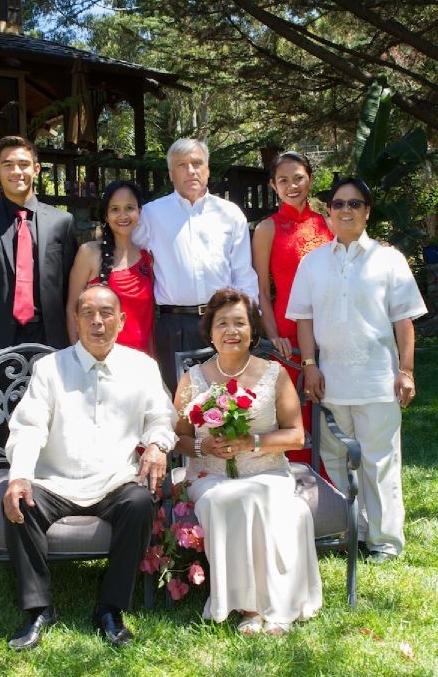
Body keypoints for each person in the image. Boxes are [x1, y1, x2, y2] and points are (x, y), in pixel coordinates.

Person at [3, 283, 177, 650]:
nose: (97, 322)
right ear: (76, 321)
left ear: (122, 320)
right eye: (88, 314)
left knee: (140, 503)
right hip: (56, 479)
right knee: (19, 502)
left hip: (115, 479)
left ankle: (110, 609)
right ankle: (39, 610)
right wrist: (19, 475)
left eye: (106, 314)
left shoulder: (142, 367)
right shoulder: (51, 368)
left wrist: (159, 445)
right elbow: (29, 425)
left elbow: (162, 418)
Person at [286, 177, 427, 564]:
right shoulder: (312, 262)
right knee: (337, 462)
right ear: (328, 212)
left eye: (354, 203)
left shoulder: (389, 260)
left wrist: (407, 370)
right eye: (338, 204)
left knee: (379, 463)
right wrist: (309, 366)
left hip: (378, 380)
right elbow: (304, 319)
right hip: (330, 382)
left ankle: (385, 541)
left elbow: (403, 322)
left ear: (367, 211)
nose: (345, 210)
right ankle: (357, 529)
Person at [173, 288, 322, 635]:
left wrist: (251, 441)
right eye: (222, 323)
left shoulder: (274, 374)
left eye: (240, 323)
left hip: (267, 470)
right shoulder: (193, 379)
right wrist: (203, 446)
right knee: (225, 499)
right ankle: (249, 608)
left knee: (267, 500)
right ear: (209, 332)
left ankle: (280, 606)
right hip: (209, 474)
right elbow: (176, 436)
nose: (231, 331)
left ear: (253, 331)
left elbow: (296, 436)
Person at [0, 135, 78, 453]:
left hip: (49, 335)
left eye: (23, 164)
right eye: (8, 165)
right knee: (0, 421)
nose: (16, 171)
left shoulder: (61, 222)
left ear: (36, 169)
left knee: (55, 416)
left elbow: (70, 283)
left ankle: (51, 483)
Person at [133, 138, 259, 394]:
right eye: (181, 165)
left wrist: (248, 321)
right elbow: (129, 252)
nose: (190, 170)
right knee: (182, 401)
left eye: (196, 163)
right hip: (174, 323)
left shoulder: (230, 214)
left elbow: (243, 273)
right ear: (171, 173)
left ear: (207, 169)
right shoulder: (151, 214)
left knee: (229, 399)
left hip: (223, 320)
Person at [252, 151, 333, 466]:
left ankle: (334, 488)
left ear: (310, 179)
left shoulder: (328, 223)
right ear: (273, 185)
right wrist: (274, 336)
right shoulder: (267, 229)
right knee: (294, 411)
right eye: (283, 180)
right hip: (287, 333)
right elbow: (261, 289)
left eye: (298, 177)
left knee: (331, 408)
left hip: (329, 327)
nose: (292, 185)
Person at [66, 180, 154, 355]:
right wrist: (77, 359)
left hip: (140, 361)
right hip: (98, 360)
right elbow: (71, 310)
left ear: (139, 211)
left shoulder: (148, 259)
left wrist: (154, 363)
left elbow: (149, 322)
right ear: (106, 215)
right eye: (115, 209)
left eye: (129, 208)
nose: (123, 215)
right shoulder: (89, 253)